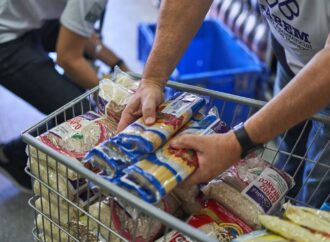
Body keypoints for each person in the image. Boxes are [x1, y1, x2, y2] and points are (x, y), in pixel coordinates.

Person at [118, 0, 330, 208]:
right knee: (289, 151)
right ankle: (284, 203)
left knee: (316, 183)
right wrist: (152, 80)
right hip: (291, 56)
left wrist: (236, 143)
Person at [0, 0, 129, 192]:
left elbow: (82, 31)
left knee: (82, 50)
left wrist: (120, 65)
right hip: (5, 37)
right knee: (78, 109)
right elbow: (68, 58)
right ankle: (14, 157)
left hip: (27, 21)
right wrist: (114, 100)